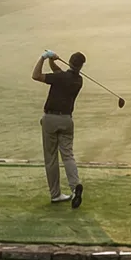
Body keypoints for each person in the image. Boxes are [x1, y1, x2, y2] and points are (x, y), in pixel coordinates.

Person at [32, 50, 86, 207]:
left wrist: (43, 57)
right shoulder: (78, 80)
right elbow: (60, 74)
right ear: (81, 66)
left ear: (69, 61)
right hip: (67, 120)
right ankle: (75, 187)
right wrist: (52, 61)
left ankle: (56, 194)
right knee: (68, 155)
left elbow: (36, 75)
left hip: (50, 119)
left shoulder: (60, 78)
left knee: (51, 158)